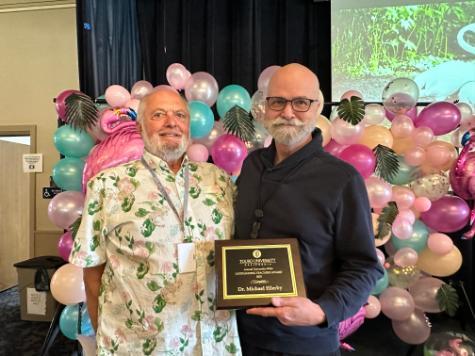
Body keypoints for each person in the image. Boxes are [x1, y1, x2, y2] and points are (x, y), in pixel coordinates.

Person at [70, 88, 241, 355]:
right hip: (139, 346)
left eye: (179, 115)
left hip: (214, 341)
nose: (171, 122)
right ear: (139, 126)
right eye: (158, 115)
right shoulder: (107, 186)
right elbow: (92, 274)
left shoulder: (219, 181)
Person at [234, 63, 384, 356]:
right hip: (237, 337)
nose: (288, 112)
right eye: (278, 101)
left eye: (301, 102)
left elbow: (364, 265)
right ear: (265, 107)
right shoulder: (252, 167)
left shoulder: (342, 179)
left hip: (303, 343)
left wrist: (321, 311)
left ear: (317, 108)